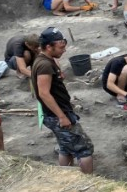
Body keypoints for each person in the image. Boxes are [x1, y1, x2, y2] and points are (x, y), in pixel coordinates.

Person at [31, 27, 94, 173]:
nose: (64, 51)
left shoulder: (44, 60)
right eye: (60, 48)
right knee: (84, 148)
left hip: (54, 114)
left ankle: (65, 176)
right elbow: (43, 93)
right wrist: (62, 116)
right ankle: (90, 181)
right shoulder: (44, 65)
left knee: (65, 146)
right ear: (48, 47)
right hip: (57, 115)